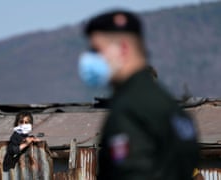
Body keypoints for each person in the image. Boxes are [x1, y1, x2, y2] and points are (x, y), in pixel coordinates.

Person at [78, 10, 199, 179]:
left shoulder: (129, 111)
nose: (89, 59)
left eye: (96, 50)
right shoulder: (173, 110)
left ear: (123, 48)